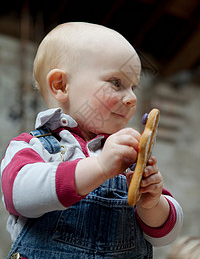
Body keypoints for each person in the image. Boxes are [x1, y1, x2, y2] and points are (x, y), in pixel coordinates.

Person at [1, 22, 183, 259]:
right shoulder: (32, 147)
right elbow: (17, 195)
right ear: (61, 85)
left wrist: (153, 203)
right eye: (116, 83)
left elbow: (165, 236)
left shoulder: (127, 158)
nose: (131, 98)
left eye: (133, 87)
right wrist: (98, 167)